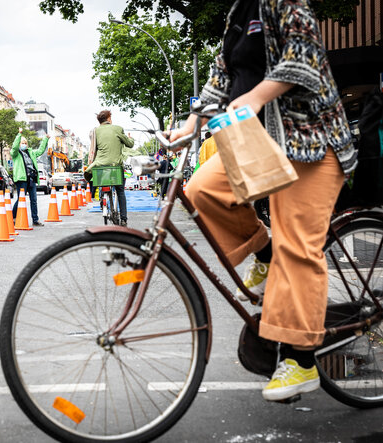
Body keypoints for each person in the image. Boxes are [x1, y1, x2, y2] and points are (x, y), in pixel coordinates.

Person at [166, 0, 355, 402]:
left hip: (311, 143)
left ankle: (300, 360)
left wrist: (256, 97)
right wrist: (189, 125)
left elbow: (303, 57)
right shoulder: (238, 12)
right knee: (201, 191)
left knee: (298, 247)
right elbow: (220, 76)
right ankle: (262, 251)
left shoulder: (284, 1)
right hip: (257, 142)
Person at [85, 110, 134, 226]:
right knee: (120, 191)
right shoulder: (118, 129)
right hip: (115, 166)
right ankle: (123, 219)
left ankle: (103, 198)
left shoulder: (94, 131)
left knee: (102, 181)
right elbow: (130, 144)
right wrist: (130, 138)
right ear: (108, 118)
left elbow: (94, 148)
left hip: (99, 166)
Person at [11, 128, 50, 226]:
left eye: (25, 143)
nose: (24, 144)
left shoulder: (31, 152)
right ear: (19, 143)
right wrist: (19, 134)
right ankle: (12, 216)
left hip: (31, 179)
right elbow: (14, 147)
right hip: (21, 179)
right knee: (21, 199)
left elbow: (40, 151)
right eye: (22, 143)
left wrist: (45, 139)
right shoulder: (15, 153)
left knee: (34, 200)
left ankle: (35, 220)